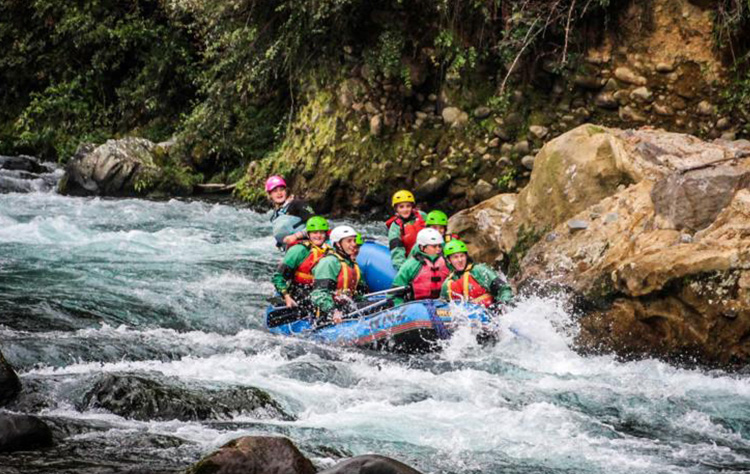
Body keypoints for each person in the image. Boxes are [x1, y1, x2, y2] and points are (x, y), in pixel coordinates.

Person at [310, 225, 368, 324]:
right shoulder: (329, 262)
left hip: (347, 309)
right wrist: (333, 311)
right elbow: (317, 294)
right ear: (338, 244)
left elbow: (358, 295)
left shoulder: (353, 264)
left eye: (354, 241)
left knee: (383, 305)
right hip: (329, 315)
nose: (354, 244)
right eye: (349, 241)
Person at [271, 216, 331, 309]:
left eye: (321, 233)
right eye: (315, 232)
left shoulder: (331, 250)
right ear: (308, 234)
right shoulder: (298, 250)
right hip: (300, 292)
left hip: (322, 292)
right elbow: (278, 276)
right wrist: (286, 296)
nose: (318, 236)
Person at [440, 239, 513, 308]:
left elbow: (504, 289)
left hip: (491, 314)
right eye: (455, 257)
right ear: (449, 260)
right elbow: (443, 307)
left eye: (462, 256)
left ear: (466, 256)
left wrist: (503, 304)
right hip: (466, 319)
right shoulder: (447, 285)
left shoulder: (479, 271)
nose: (460, 260)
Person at [390, 228, 450, 306]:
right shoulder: (411, 265)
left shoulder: (447, 262)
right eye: (434, 246)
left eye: (439, 246)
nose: (438, 249)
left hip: (443, 304)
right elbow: (395, 292)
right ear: (422, 247)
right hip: (418, 305)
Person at [265, 175, 315, 249]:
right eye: (275, 191)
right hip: (290, 248)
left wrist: (296, 236)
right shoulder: (276, 214)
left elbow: (315, 223)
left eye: (281, 190)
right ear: (270, 195)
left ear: (286, 191)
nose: (279, 193)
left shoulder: (298, 204)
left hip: (307, 245)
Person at [386, 190, 426, 271]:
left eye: (408, 206)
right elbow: (397, 251)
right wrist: (403, 270)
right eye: (401, 207)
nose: (405, 209)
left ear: (412, 207)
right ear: (396, 209)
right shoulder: (395, 227)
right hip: (412, 261)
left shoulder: (422, 216)